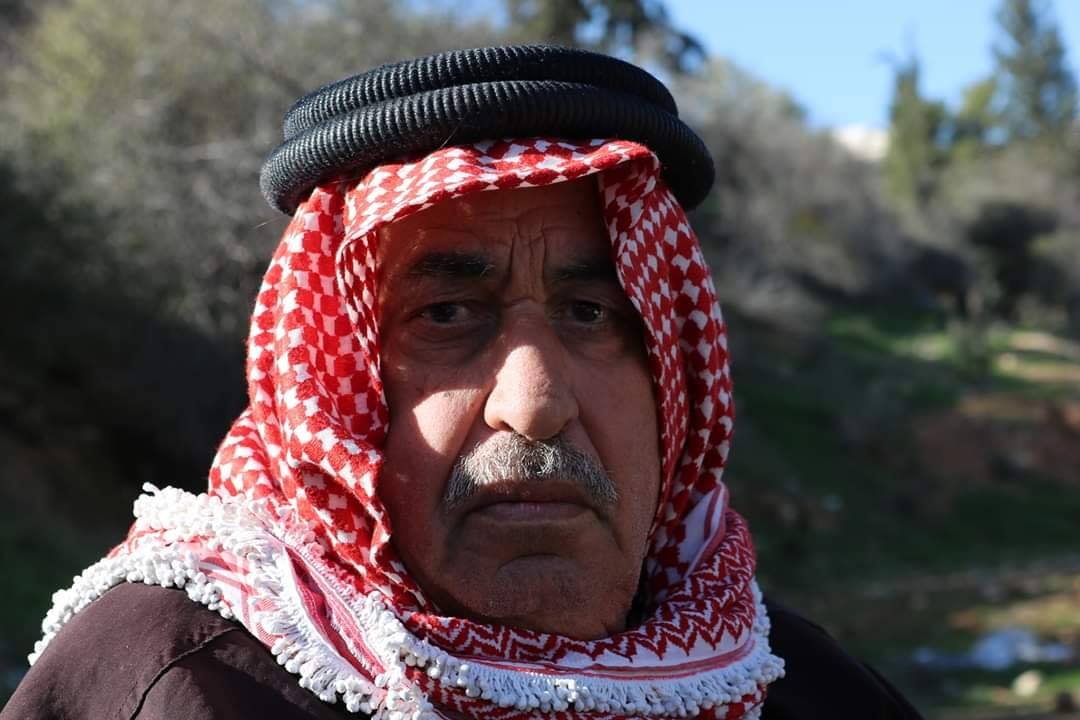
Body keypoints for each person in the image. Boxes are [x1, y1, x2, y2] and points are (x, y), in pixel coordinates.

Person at [2, 46, 922, 719]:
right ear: (332, 390)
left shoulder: (798, 690)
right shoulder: (178, 686)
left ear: (672, 388)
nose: (535, 404)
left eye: (592, 314)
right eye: (446, 315)